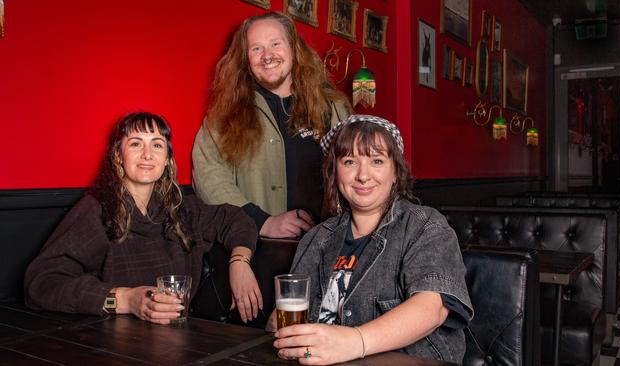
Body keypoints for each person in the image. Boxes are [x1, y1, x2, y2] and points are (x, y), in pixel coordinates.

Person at [24, 112, 262, 324]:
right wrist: (125, 300)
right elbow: (41, 283)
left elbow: (236, 219)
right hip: (110, 345)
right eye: (136, 144)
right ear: (118, 155)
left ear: (167, 159)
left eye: (157, 145)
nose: (148, 154)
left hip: (180, 340)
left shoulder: (181, 209)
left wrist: (239, 262)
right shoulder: (97, 210)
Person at [271, 115, 473, 364]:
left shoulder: (425, 226)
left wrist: (355, 341)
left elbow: (433, 308)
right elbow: (290, 317)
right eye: (349, 161)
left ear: (396, 173)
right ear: (335, 172)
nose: (363, 175)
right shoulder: (317, 238)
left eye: (377, 161)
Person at [192, 12, 351, 240]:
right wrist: (262, 222)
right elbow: (210, 175)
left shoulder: (334, 107)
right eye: (256, 48)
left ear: (294, 49)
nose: (267, 56)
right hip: (259, 251)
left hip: (329, 246)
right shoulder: (225, 113)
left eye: (275, 44)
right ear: (245, 58)